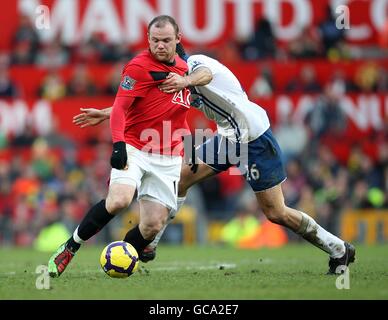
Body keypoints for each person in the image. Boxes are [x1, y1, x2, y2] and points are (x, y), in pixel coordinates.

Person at [73, 44, 355, 275]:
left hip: (254, 137)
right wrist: (105, 112)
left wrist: (185, 79)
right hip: (227, 137)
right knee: (181, 177)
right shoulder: (173, 78)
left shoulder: (194, 64)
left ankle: (339, 248)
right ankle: (150, 242)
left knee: (276, 212)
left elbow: (204, 75)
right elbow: (142, 102)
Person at [48, 15, 192, 278]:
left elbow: (153, 102)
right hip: (136, 147)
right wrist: (119, 145)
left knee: (152, 225)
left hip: (169, 155)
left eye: (166, 41)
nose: (160, 46)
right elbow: (122, 109)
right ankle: (70, 247)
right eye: (155, 40)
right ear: (148, 39)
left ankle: (122, 256)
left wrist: (103, 112)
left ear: (178, 40)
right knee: (119, 200)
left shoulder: (186, 71)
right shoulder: (138, 67)